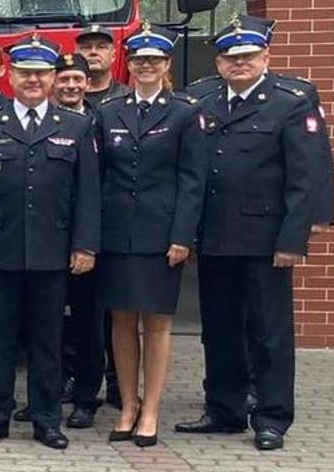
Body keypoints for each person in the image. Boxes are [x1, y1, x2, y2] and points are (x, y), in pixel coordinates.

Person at [176, 15, 324, 452]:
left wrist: (293, 241)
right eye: (229, 57)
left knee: (269, 332)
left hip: (265, 239)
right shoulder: (200, 99)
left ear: (265, 56)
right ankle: (224, 409)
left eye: (246, 56)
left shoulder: (290, 102)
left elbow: (304, 176)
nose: (238, 64)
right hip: (215, 235)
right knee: (218, 329)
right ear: (219, 61)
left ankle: (272, 418)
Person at [0, 36, 100, 450]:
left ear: (53, 77)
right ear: (12, 75)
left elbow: (88, 194)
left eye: (41, 72)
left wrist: (85, 246)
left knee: (48, 342)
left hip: (52, 253)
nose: (33, 80)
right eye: (25, 73)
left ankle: (46, 419)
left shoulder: (76, 126)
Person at [94, 24, 204, 447]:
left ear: (166, 65)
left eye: (154, 61)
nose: (145, 67)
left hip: (162, 234)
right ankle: (127, 405)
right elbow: (98, 178)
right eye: (139, 60)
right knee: (121, 321)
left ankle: (152, 411)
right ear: (131, 64)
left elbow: (191, 180)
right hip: (117, 232)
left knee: (157, 323)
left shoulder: (183, 111)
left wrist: (183, 235)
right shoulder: (108, 112)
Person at [51, 50, 106, 429]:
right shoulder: (43, 120)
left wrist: (88, 242)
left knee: (88, 322)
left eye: (77, 79)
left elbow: (100, 189)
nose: (71, 85)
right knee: (47, 323)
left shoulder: (101, 122)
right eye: (64, 78)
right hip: (46, 238)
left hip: (86, 238)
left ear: (87, 84)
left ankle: (86, 397)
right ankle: (50, 393)